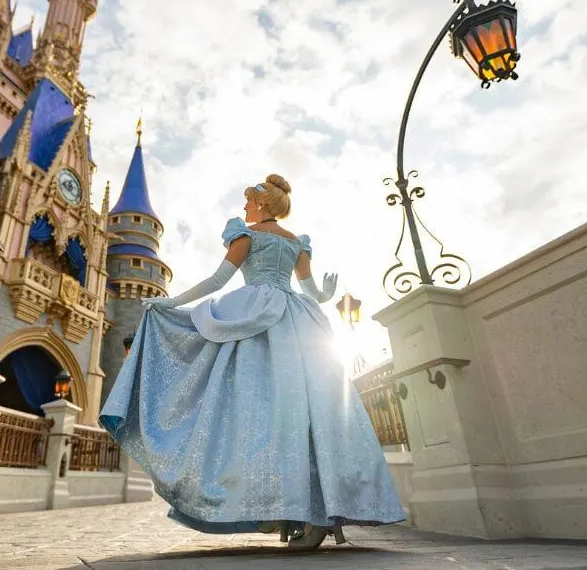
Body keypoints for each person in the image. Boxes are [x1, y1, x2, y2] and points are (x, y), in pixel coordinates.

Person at [100, 174, 407, 548]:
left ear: (261, 205)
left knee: (252, 414)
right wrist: (325, 293)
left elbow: (217, 281)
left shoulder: (245, 235)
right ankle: (304, 513)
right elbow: (311, 291)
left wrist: (170, 303)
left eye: (248, 202)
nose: (244, 207)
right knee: (305, 416)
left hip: (254, 315)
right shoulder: (296, 243)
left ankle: (290, 510)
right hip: (296, 320)